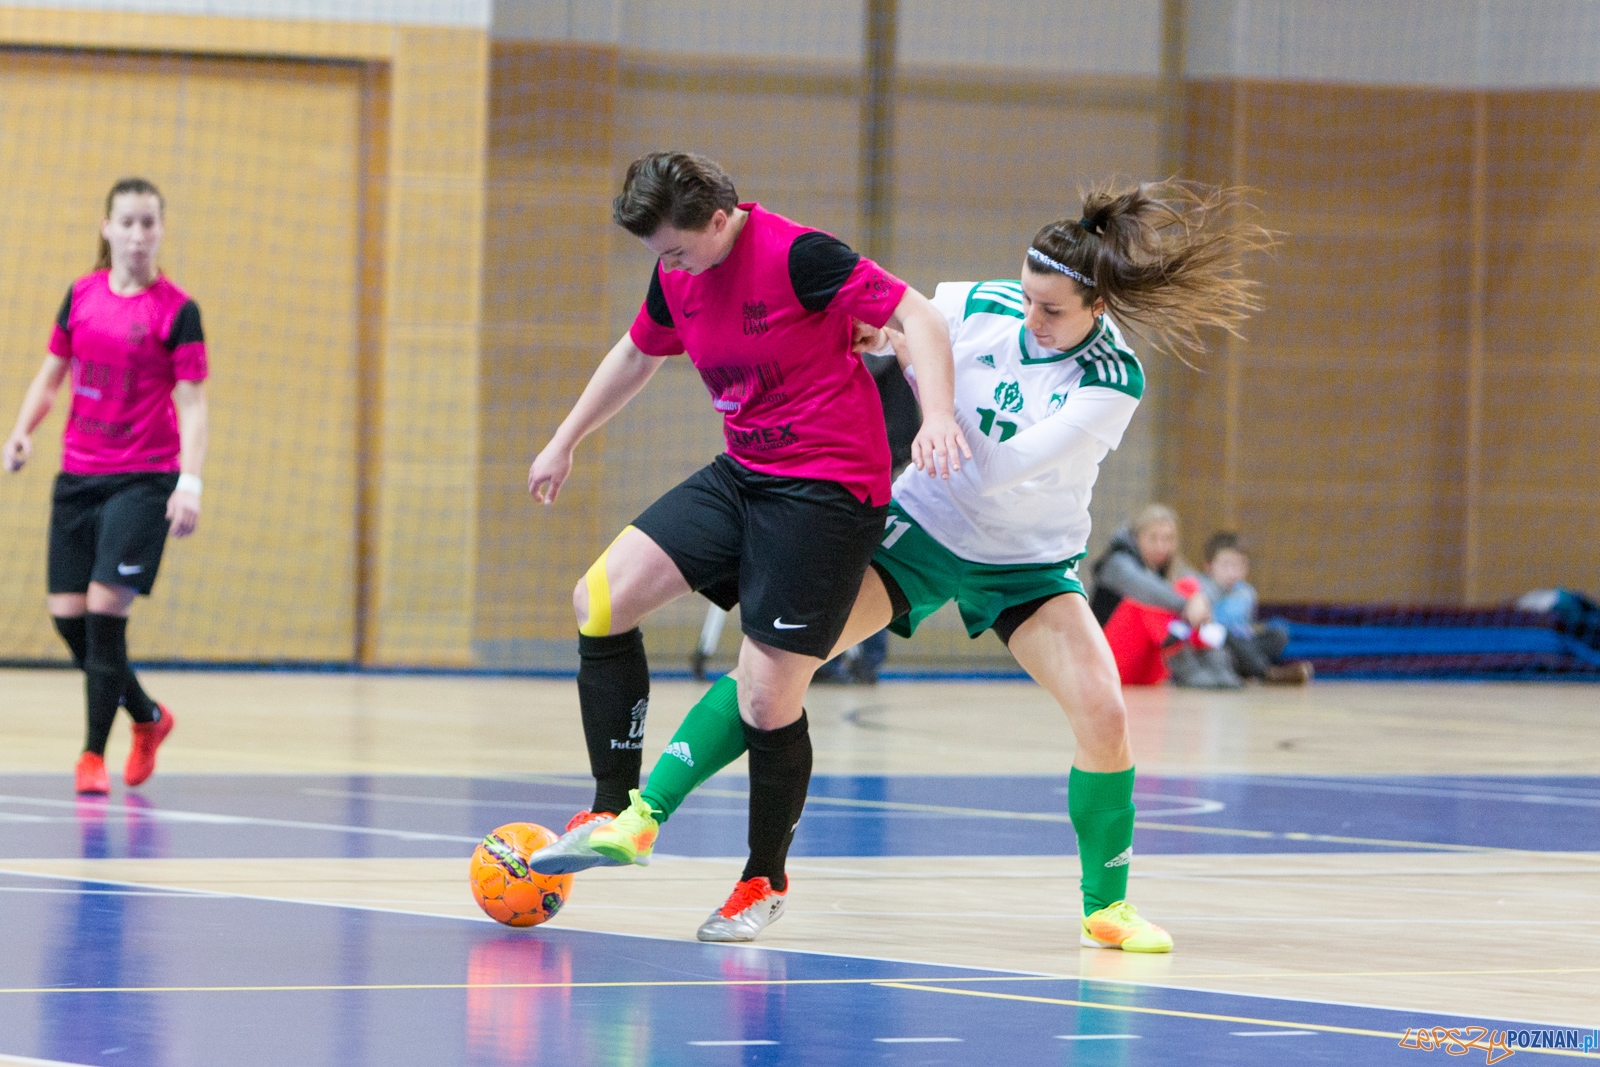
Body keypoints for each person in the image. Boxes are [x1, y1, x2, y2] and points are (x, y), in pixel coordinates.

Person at [533, 177, 1273, 954]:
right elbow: (896, 326)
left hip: (1025, 562)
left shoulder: (1113, 380)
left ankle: (1106, 907)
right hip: (920, 531)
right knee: (774, 667)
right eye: (1026, 298)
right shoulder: (977, 304)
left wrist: (924, 385)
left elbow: (992, 470)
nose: (1032, 317)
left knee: (1106, 714)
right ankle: (642, 814)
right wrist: (877, 340)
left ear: (1099, 308)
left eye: (1052, 310)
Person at [525, 151, 965, 941]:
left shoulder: (800, 255)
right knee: (600, 596)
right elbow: (637, 352)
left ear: (721, 220)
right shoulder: (676, 272)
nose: (670, 267)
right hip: (746, 472)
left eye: (677, 249)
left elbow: (922, 318)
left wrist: (935, 415)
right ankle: (613, 809)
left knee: (766, 696)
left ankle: (762, 878)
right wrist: (565, 441)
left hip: (828, 491)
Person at [3, 177, 208, 795]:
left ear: (161, 231)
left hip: (145, 478)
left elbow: (195, 406)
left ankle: (91, 756)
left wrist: (189, 484)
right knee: (68, 616)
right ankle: (147, 716)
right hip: (79, 475)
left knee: (103, 613)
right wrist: (20, 432)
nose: (139, 235)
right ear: (107, 228)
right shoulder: (81, 296)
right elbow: (50, 376)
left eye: (150, 223)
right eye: (128, 222)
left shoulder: (177, 310)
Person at [1091, 504, 1241, 688]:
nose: (1161, 546)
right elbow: (1148, 589)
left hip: (1150, 665)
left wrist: (1200, 599)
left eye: (1168, 539)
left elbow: (1205, 586)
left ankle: (1213, 661)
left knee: (1189, 586)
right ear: (1137, 537)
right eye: (1153, 538)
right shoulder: (1117, 563)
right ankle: (1189, 668)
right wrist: (1190, 602)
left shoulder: (1171, 566)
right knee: (1148, 605)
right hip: (1109, 662)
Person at [1199, 531, 1312, 684]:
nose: (1232, 572)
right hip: (1220, 647)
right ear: (1209, 566)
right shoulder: (1203, 590)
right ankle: (1269, 674)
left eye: (1237, 565)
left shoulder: (1247, 592)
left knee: (1279, 633)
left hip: (1244, 643)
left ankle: (1248, 669)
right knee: (1225, 636)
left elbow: (1247, 624)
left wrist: (1251, 631)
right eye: (1226, 565)